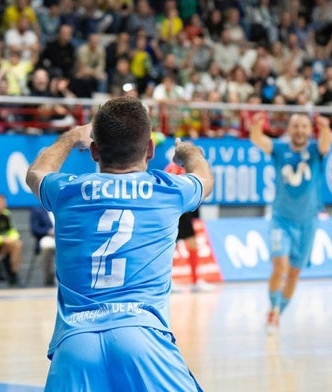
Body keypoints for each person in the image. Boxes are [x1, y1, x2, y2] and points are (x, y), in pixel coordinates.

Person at [25, 96, 213, 391]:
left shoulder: (66, 191)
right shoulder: (169, 190)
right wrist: (188, 152)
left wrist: (73, 136)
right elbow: (204, 178)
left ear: (95, 151)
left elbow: (36, 172)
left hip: (74, 343)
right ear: (150, 149)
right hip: (141, 336)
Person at [249, 113, 332, 334]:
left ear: (309, 130)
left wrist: (325, 128)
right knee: (280, 266)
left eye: (304, 126)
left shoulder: (315, 151)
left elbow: (326, 144)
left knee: (294, 274)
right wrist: (256, 126)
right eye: (295, 126)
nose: (299, 130)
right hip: (281, 220)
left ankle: (277, 314)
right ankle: (272, 308)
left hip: (307, 224)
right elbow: (257, 139)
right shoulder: (279, 149)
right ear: (289, 128)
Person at [164, 162, 215, 293]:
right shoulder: (176, 169)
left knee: (188, 244)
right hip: (178, 210)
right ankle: (171, 281)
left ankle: (195, 280)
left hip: (180, 211)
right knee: (175, 246)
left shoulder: (180, 168)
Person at [30, 206, 55, 286]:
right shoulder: (37, 210)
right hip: (48, 237)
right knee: (46, 245)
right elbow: (35, 229)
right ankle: (48, 277)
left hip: (63, 237)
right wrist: (48, 231)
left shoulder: (64, 207)